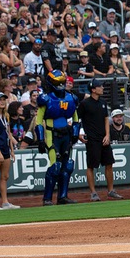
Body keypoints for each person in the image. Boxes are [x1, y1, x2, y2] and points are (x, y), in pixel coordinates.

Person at [36, 70, 82, 206]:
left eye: (62, 81)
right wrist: (40, 139)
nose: (60, 84)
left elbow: (76, 118)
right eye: (57, 82)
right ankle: (47, 198)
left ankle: (63, 196)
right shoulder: (46, 99)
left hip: (66, 135)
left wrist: (75, 134)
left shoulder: (71, 98)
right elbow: (39, 121)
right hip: (52, 135)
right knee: (55, 166)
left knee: (67, 166)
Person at [77, 78, 123, 202]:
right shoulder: (85, 104)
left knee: (109, 164)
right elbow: (77, 119)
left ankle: (111, 191)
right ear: (93, 89)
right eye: (99, 86)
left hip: (104, 138)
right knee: (91, 166)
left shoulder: (102, 102)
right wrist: (78, 134)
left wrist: (107, 135)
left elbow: (106, 119)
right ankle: (93, 192)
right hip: (92, 139)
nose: (102, 88)